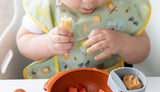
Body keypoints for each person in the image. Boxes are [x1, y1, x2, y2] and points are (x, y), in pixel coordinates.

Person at [16, 0, 151, 79]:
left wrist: (123, 42)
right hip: (57, 83)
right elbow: (23, 41)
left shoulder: (123, 6)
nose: (89, 2)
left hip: (110, 84)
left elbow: (143, 48)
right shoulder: (45, 6)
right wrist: (46, 43)